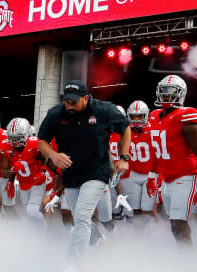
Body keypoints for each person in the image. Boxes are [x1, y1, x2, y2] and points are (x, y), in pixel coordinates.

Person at [38, 80, 131, 264]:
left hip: (97, 172)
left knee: (81, 217)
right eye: (67, 102)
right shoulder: (56, 113)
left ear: (86, 98)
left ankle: (73, 263)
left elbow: (125, 128)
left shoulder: (104, 110)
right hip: (71, 173)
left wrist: (124, 157)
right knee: (80, 219)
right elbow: (42, 141)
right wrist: (53, 155)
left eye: (74, 102)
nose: (69, 106)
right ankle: (97, 240)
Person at [146, 75, 197, 247]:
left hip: (185, 176)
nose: (166, 95)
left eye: (170, 91)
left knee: (178, 223)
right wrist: (152, 176)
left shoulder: (187, 115)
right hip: (166, 178)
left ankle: (188, 261)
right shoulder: (153, 116)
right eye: (163, 91)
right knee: (174, 223)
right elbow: (155, 150)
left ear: (180, 94)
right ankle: (186, 256)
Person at [1, 118, 47, 225]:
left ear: (25, 135)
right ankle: (36, 235)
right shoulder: (7, 147)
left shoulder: (33, 143)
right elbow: (4, 173)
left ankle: (45, 231)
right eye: (12, 137)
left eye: (17, 137)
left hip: (36, 182)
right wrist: (13, 171)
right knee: (29, 214)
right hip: (23, 185)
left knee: (32, 212)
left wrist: (43, 171)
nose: (14, 140)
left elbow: (45, 157)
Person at [120, 101, 156, 219]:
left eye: (139, 116)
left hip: (151, 174)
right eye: (133, 116)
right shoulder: (126, 130)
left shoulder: (153, 130)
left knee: (148, 210)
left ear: (146, 115)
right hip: (134, 173)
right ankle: (138, 236)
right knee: (135, 210)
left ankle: (157, 233)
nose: (136, 119)